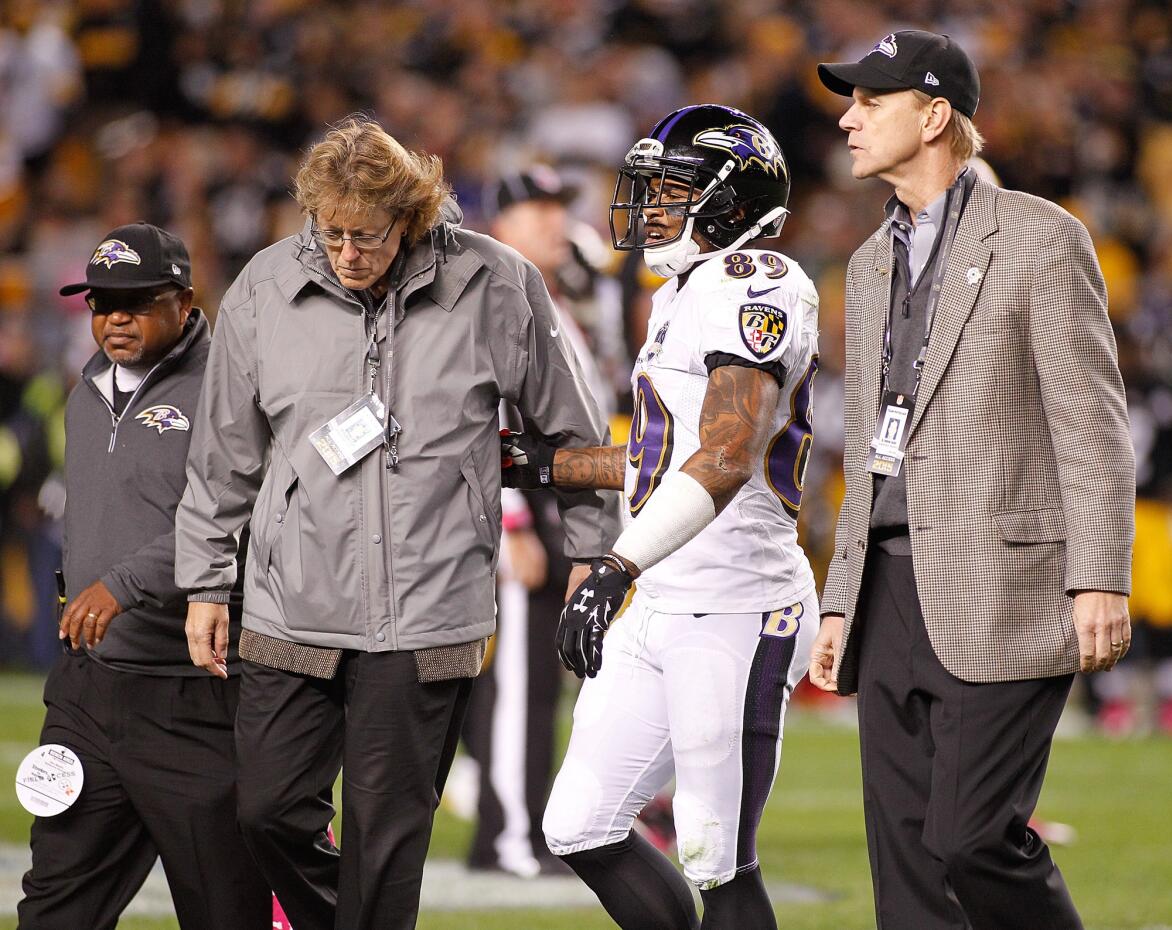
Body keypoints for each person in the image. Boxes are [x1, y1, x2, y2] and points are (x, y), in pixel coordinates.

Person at [174, 116, 618, 930]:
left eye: (367, 236)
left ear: (411, 217)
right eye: (330, 233)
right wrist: (205, 580)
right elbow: (223, 455)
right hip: (289, 600)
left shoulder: (497, 282)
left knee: (387, 845)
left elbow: (572, 433)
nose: (346, 253)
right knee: (266, 810)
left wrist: (595, 553)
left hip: (430, 607)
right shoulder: (265, 289)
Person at [808, 31, 1136, 930]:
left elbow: (1091, 420)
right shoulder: (871, 262)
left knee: (969, 836)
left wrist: (1101, 575)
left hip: (1006, 584)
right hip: (888, 592)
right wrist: (841, 597)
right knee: (904, 864)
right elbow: (874, 446)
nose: (848, 118)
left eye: (871, 102)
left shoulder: (1039, 236)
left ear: (935, 113)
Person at [503, 104, 820, 930]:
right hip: (666, 593)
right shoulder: (685, 292)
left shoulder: (763, 284)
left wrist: (615, 566)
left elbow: (721, 460)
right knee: (578, 824)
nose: (649, 210)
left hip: (738, 606)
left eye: (672, 191)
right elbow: (659, 459)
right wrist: (541, 462)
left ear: (730, 204)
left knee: (717, 858)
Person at [18, 223, 270, 929]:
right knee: (55, 905)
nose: (115, 319)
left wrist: (123, 584)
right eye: (102, 304)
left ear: (185, 302)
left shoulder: (229, 388)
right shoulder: (86, 388)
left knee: (227, 909)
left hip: (190, 694)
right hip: (89, 693)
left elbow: (231, 514)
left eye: (135, 302)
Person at [461, 165, 613, 878]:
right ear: (503, 225)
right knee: (516, 682)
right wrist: (512, 521)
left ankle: (519, 827)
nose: (555, 222)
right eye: (537, 210)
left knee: (538, 684)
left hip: (552, 514)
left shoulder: (553, 298)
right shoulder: (495, 293)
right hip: (514, 514)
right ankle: (512, 836)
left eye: (559, 207)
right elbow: (482, 407)